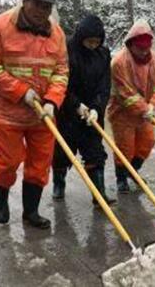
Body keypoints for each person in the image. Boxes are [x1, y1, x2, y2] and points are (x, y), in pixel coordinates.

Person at [0, 0, 68, 229]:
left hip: (42, 115)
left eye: (48, 7)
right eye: (38, 5)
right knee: (8, 161)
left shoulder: (56, 33)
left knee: (40, 165)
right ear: (25, 1)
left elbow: (61, 71)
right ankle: (1, 198)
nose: (43, 12)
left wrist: (52, 100)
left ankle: (31, 212)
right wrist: (21, 92)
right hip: (8, 113)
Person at [51, 14, 116, 206]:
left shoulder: (103, 55)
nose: (93, 45)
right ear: (81, 37)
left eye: (97, 42)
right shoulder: (67, 51)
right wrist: (76, 105)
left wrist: (96, 108)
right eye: (90, 41)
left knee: (95, 152)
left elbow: (105, 86)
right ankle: (59, 183)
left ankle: (99, 195)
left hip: (91, 116)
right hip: (67, 113)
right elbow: (61, 83)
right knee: (62, 153)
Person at [107, 20, 155, 193]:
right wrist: (145, 109)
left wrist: (152, 105)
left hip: (145, 112)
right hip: (122, 113)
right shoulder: (119, 62)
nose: (144, 51)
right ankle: (121, 178)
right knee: (125, 148)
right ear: (131, 44)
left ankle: (133, 170)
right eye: (140, 48)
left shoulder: (154, 60)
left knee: (148, 141)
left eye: (147, 48)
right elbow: (126, 94)